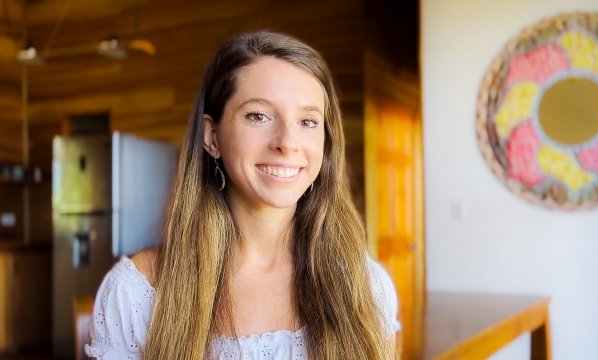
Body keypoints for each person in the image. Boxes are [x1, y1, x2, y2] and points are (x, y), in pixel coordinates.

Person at [85, 31, 401, 359]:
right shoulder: (139, 292)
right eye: (258, 116)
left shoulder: (364, 284)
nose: (287, 142)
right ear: (212, 137)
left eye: (308, 120)